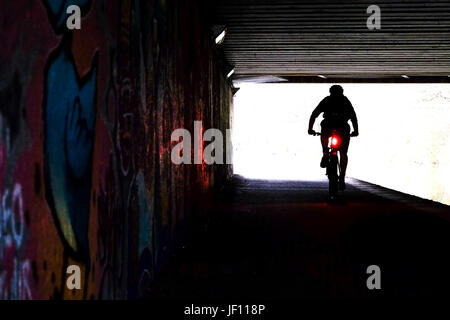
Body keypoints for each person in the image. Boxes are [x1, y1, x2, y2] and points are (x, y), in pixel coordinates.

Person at [308, 85, 359, 190]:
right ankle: (342, 177)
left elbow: (314, 114)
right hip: (343, 128)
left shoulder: (327, 100)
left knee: (324, 135)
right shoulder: (345, 101)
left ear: (330, 92)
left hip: (328, 125)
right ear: (342, 92)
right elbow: (353, 116)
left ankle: (325, 153)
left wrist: (310, 129)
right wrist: (356, 131)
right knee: (343, 153)